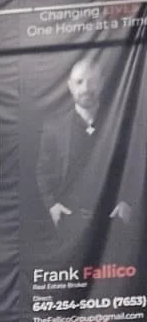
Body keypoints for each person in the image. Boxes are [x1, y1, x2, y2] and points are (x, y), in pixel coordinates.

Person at [36, 51, 136, 258]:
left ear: (101, 83)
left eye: (91, 81)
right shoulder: (54, 127)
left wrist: (127, 201)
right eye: (79, 82)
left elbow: (136, 163)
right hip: (69, 223)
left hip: (112, 222)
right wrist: (52, 205)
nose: (86, 88)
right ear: (71, 86)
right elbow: (42, 171)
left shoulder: (120, 122)